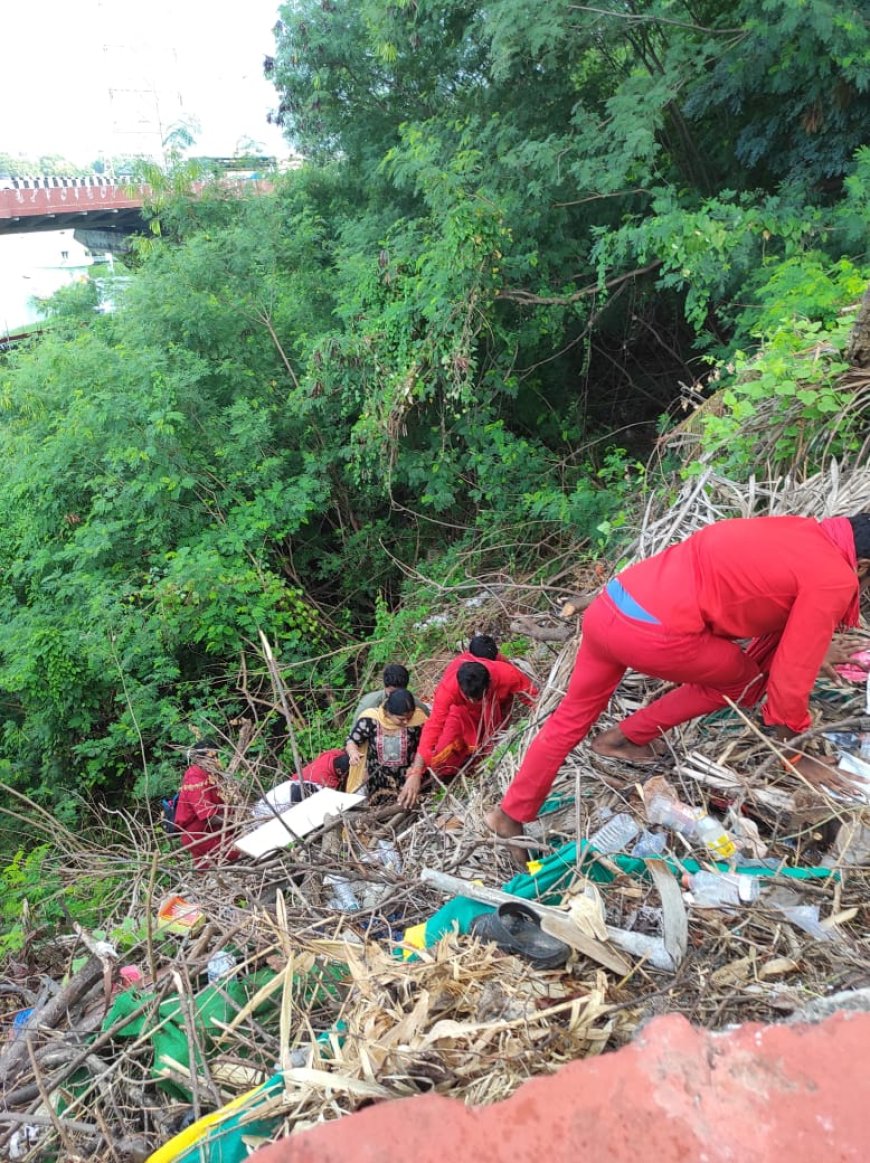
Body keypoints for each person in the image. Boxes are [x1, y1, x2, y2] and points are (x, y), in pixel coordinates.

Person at [485, 513, 870, 849]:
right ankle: (626, 737)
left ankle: (510, 814)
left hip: (612, 605)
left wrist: (813, 647)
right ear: (863, 567)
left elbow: (776, 601)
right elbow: (790, 676)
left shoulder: (800, 530)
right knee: (746, 686)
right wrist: (794, 754)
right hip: (652, 633)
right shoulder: (834, 577)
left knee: (569, 717)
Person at [399, 652, 538, 808]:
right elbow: (433, 727)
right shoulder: (448, 690)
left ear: (489, 683)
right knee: (441, 753)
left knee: (489, 746)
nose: (473, 701)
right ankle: (447, 777)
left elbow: (533, 698)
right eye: (469, 697)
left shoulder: (507, 674)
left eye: (476, 697)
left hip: (493, 708)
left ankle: (479, 770)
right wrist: (416, 772)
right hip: (460, 713)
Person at [345, 689, 429, 798]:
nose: (406, 722)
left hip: (409, 780)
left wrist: (415, 768)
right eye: (401, 719)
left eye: (409, 717)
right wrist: (353, 752)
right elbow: (352, 740)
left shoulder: (419, 721)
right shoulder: (371, 719)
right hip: (378, 782)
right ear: (388, 712)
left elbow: (427, 744)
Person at [174, 740, 240, 868]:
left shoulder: (211, 775)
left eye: (216, 757)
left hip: (212, 831)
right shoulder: (195, 780)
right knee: (236, 854)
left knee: (206, 871)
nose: (215, 761)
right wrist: (236, 818)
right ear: (199, 759)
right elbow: (208, 817)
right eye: (211, 758)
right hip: (199, 835)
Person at [251, 749, 351, 818]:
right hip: (272, 809)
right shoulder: (322, 779)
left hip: (292, 785)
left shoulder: (334, 755)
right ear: (338, 771)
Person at [351, 663, 430, 722]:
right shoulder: (368, 704)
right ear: (385, 686)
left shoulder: (415, 705)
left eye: (400, 693)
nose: (396, 697)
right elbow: (353, 736)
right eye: (392, 693)